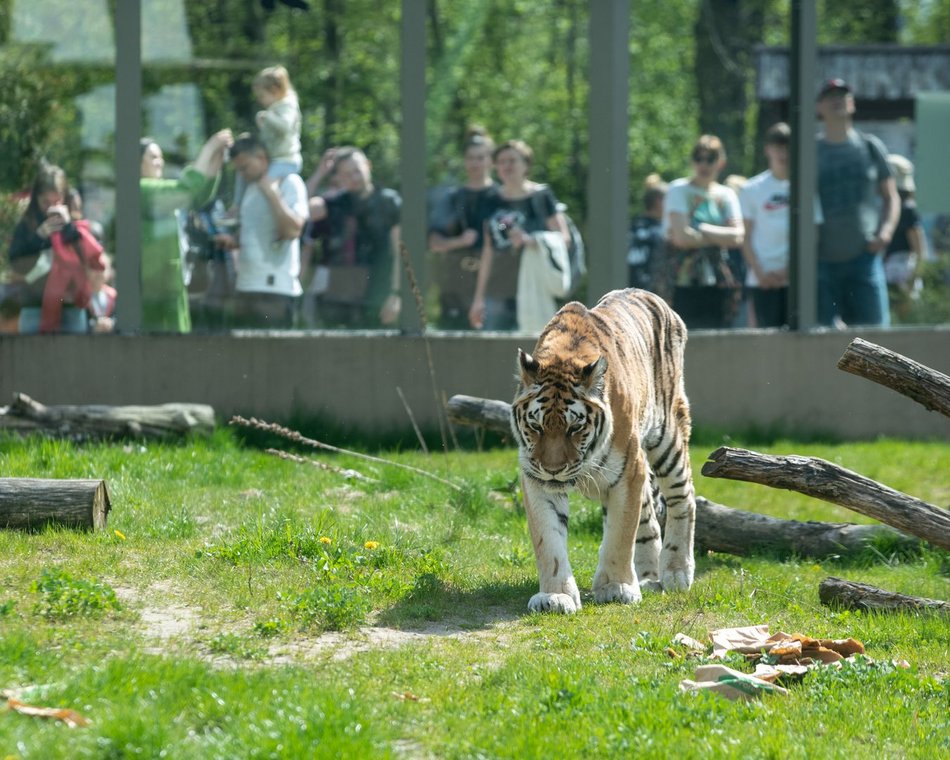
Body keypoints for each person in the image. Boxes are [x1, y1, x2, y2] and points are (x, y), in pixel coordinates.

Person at [815, 78, 898, 328]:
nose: (838, 101)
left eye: (843, 96)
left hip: (864, 258)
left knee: (876, 338)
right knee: (819, 342)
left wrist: (885, 232)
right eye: (831, 97)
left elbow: (891, 196)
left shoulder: (870, 147)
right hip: (820, 260)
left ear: (852, 104)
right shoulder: (809, 151)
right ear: (819, 108)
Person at [468, 139, 570, 331]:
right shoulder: (490, 199)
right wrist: (478, 298)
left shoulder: (541, 196)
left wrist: (532, 241)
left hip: (534, 290)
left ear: (526, 165)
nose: (507, 166)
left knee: (535, 354)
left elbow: (563, 238)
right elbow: (488, 250)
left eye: (512, 161)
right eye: (502, 161)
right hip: (497, 291)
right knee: (495, 352)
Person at [140, 128, 233, 332]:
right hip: (155, 292)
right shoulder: (141, 189)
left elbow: (197, 198)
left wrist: (215, 162)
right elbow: (185, 191)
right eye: (153, 157)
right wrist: (210, 147)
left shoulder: (155, 189)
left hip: (169, 287)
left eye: (161, 157)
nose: (160, 162)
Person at [215, 133, 308, 329]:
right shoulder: (251, 187)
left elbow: (292, 231)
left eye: (245, 167)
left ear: (261, 157)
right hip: (245, 286)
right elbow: (254, 231)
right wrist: (233, 241)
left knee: (276, 358)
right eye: (238, 170)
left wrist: (271, 192)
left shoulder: (290, 182)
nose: (242, 174)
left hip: (276, 290)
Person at [305, 147, 402, 328]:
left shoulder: (390, 202)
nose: (354, 178)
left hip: (377, 297)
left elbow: (401, 253)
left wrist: (397, 295)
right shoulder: (335, 203)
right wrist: (320, 173)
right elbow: (299, 210)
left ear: (368, 166)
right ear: (339, 178)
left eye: (357, 171)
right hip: (338, 299)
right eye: (347, 174)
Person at [7, 163, 105, 334]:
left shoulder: (75, 223)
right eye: (46, 202)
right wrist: (39, 237)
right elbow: (15, 261)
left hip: (70, 307)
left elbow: (91, 257)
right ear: (36, 199)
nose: (51, 207)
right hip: (35, 306)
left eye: (56, 201)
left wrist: (68, 227)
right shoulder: (27, 224)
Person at [663, 135, 744, 329]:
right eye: (698, 158)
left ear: (721, 162)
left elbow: (738, 237)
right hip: (681, 281)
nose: (703, 165)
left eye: (710, 159)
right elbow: (682, 238)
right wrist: (720, 236)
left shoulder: (727, 194)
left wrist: (700, 228)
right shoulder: (678, 190)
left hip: (720, 281)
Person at [427, 126, 498, 329]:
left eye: (480, 158)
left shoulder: (500, 197)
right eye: (470, 158)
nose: (475, 163)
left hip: (496, 284)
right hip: (455, 283)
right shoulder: (452, 197)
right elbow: (434, 243)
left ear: (490, 161)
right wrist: (459, 241)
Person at [740, 122, 793, 328]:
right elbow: (745, 236)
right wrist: (760, 272)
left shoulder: (805, 185)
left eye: (787, 146)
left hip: (795, 281)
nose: (783, 153)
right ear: (767, 149)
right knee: (765, 344)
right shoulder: (751, 188)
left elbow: (812, 235)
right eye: (777, 147)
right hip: (761, 280)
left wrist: (791, 271)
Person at [232, 65, 303, 211]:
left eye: (262, 96)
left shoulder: (287, 106)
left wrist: (268, 116)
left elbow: (285, 128)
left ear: (275, 91)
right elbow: (272, 137)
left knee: (265, 184)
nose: (260, 101)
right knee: (245, 173)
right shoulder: (276, 108)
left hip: (285, 160)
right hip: (273, 159)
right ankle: (236, 206)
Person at [883, 154, 925, 321]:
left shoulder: (907, 210)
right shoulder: (882, 207)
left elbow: (920, 250)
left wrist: (913, 279)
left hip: (901, 272)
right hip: (886, 269)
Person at [627, 173, 668, 295]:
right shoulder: (661, 231)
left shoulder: (631, 226)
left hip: (626, 292)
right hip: (653, 294)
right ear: (659, 201)